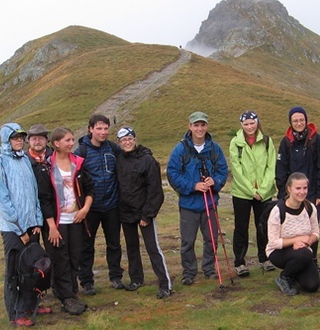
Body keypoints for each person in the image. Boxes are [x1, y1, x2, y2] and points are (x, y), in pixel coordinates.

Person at [0, 123, 44, 327]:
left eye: (21, 137)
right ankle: (15, 313)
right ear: (6, 140)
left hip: (32, 226)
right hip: (13, 230)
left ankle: (30, 305)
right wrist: (20, 229)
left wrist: (37, 221)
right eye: (15, 138)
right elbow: (2, 200)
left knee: (31, 269)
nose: (19, 141)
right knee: (14, 271)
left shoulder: (25, 161)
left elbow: (34, 192)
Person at [35, 126, 93, 315]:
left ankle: (70, 292)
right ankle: (67, 297)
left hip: (76, 219)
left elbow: (90, 189)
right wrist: (51, 226)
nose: (71, 143)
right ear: (56, 143)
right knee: (60, 258)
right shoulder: (46, 167)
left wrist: (84, 209)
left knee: (75, 256)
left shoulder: (79, 163)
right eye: (67, 140)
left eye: (72, 139)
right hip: (57, 222)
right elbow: (44, 198)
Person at [166, 111, 229, 286]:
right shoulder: (180, 149)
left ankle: (209, 269)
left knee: (211, 239)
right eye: (196, 125)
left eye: (202, 125)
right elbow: (172, 174)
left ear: (206, 126)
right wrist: (193, 186)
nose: (199, 128)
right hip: (188, 204)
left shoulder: (215, 149)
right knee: (187, 241)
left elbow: (223, 171)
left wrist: (214, 181)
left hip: (210, 203)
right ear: (190, 126)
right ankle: (189, 272)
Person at [115, 126, 173, 299]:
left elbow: (155, 190)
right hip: (125, 212)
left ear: (135, 139)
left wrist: (147, 214)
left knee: (152, 248)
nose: (127, 142)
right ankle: (136, 279)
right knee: (132, 248)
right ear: (119, 143)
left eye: (130, 139)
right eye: (123, 140)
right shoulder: (118, 159)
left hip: (143, 213)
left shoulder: (148, 160)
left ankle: (165, 284)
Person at [74, 114, 124, 295]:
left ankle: (116, 277)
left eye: (105, 128)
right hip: (90, 208)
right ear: (90, 129)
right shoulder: (81, 152)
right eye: (99, 128)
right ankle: (86, 281)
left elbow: (129, 157)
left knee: (114, 243)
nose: (103, 132)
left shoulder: (113, 149)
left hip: (112, 205)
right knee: (87, 245)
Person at [275, 106, 320, 274]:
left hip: (311, 193)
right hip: (291, 194)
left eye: (301, 120)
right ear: (290, 123)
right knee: (290, 228)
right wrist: (284, 192)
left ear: (306, 121)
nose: (299, 123)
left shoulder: (316, 140)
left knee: (312, 228)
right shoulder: (286, 142)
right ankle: (294, 260)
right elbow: (281, 168)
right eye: (295, 120)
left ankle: (312, 261)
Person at [229, 111, 277, 276]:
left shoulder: (266, 141)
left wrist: (263, 190)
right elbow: (236, 170)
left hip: (264, 193)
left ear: (257, 123)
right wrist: (252, 191)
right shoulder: (235, 143)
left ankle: (265, 258)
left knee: (263, 226)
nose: (249, 127)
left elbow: (271, 167)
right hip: (242, 193)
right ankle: (240, 262)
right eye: (246, 124)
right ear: (241, 125)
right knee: (241, 228)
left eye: (252, 123)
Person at [265, 172, 320, 296]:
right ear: (289, 189)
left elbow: (316, 233)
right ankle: (284, 277)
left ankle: (294, 274)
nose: (302, 192)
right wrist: (297, 240)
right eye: (298, 188)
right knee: (305, 254)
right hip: (278, 252)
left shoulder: (310, 208)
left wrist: (307, 242)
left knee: (312, 286)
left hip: (302, 250)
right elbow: (273, 242)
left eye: (305, 188)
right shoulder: (278, 211)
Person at [25, 123, 55, 314]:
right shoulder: (23, 160)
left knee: (55, 253)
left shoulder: (54, 157)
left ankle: (56, 288)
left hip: (53, 213)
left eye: (41, 138)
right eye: (34, 138)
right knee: (32, 258)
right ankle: (31, 298)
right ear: (29, 140)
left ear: (47, 140)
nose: (38, 141)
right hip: (31, 217)